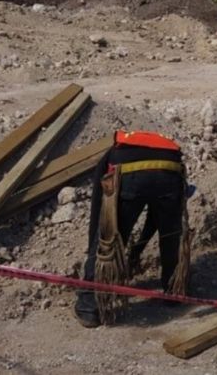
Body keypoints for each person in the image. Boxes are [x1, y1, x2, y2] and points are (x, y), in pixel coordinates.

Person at [74, 129, 188, 328]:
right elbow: (158, 220)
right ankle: (174, 292)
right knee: (171, 237)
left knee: (109, 237)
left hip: (131, 176)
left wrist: (96, 240)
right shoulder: (162, 145)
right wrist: (136, 253)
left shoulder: (112, 157)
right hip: (170, 171)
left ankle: (89, 307)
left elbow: (98, 213)